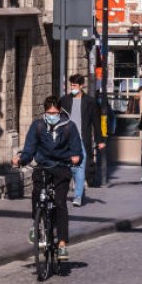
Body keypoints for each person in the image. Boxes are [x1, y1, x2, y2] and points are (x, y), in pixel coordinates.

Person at [13, 96, 83, 262]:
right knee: (37, 195)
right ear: (45, 112)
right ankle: (35, 225)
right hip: (43, 166)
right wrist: (21, 160)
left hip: (61, 168)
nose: (52, 115)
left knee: (60, 202)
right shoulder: (37, 126)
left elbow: (76, 148)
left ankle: (62, 243)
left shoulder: (69, 127)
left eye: (55, 112)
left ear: (59, 112)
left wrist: (75, 157)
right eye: (49, 112)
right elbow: (29, 149)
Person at [59, 74, 104, 207]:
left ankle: (77, 196)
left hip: (82, 139)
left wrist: (99, 140)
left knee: (80, 167)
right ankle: (69, 190)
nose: (72, 87)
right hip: (67, 139)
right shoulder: (64, 100)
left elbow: (96, 122)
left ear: (81, 86)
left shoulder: (90, 102)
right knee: (66, 167)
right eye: (71, 85)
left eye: (74, 85)